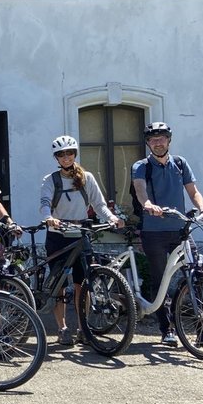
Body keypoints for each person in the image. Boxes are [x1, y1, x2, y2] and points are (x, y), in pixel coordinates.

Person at [131, 121, 203, 347]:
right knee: (160, 280)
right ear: (148, 143)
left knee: (198, 275)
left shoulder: (180, 163)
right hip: (154, 231)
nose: (158, 143)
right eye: (153, 139)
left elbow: (193, 191)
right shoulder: (141, 166)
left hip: (180, 230)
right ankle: (167, 329)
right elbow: (140, 189)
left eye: (162, 138)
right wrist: (148, 204)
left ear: (169, 140)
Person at [40, 135, 124, 346]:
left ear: (75, 154)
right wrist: (48, 218)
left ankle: (82, 328)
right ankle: (62, 329)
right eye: (61, 154)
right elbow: (44, 203)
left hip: (81, 234)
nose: (66, 157)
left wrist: (112, 218)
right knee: (59, 284)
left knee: (82, 284)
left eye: (69, 153)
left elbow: (99, 204)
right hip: (58, 234)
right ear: (56, 158)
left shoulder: (87, 178)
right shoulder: (51, 180)